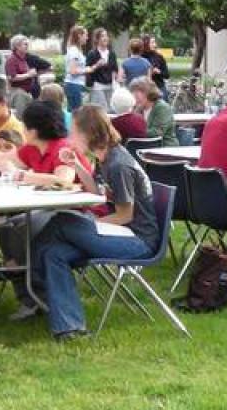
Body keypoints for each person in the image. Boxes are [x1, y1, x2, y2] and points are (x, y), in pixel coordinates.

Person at [33, 105, 160, 341]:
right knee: (54, 252)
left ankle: (30, 274)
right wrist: (77, 165)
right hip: (118, 232)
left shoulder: (119, 165)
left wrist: (93, 223)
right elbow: (97, 192)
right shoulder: (106, 158)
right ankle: (70, 328)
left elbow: (125, 215)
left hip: (136, 240)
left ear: (88, 133)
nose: (70, 138)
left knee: (61, 221)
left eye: (73, 132)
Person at [0, 100, 92, 321]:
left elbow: (63, 180)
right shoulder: (32, 149)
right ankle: (27, 292)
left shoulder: (62, 149)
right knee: (9, 225)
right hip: (45, 208)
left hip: (73, 213)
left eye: (24, 125)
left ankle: (35, 293)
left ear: (32, 130)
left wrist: (23, 175)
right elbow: (3, 160)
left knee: (19, 226)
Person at [131, 78, 178, 147]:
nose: (134, 97)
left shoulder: (162, 107)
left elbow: (158, 132)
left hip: (164, 147)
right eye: (133, 94)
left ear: (148, 93)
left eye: (137, 95)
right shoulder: (138, 108)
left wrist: (134, 132)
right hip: (144, 146)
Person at [84, 27, 117, 111]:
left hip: (110, 85)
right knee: (101, 110)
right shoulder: (92, 53)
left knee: (111, 110)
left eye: (106, 36)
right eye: (102, 36)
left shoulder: (111, 53)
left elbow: (114, 69)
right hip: (97, 86)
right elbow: (87, 69)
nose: (105, 38)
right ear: (97, 39)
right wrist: (97, 65)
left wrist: (114, 82)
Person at [4, 35, 38, 103]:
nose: (27, 46)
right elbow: (11, 77)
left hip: (26, 92)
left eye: (27, 44)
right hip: (18, 93)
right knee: (20, 113)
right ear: (17, 46)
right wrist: (29, 74)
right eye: (25, 44)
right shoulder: (12, 60)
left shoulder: (23, 59)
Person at [62, 25, 89, 111]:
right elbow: (73, 71)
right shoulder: (74, 51)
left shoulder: (76, 50)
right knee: (76, 113)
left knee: (74, 112)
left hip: (74, 85)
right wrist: (87, 70)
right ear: (79, 36)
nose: (87, 38)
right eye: (86, 35)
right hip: (73, 85)